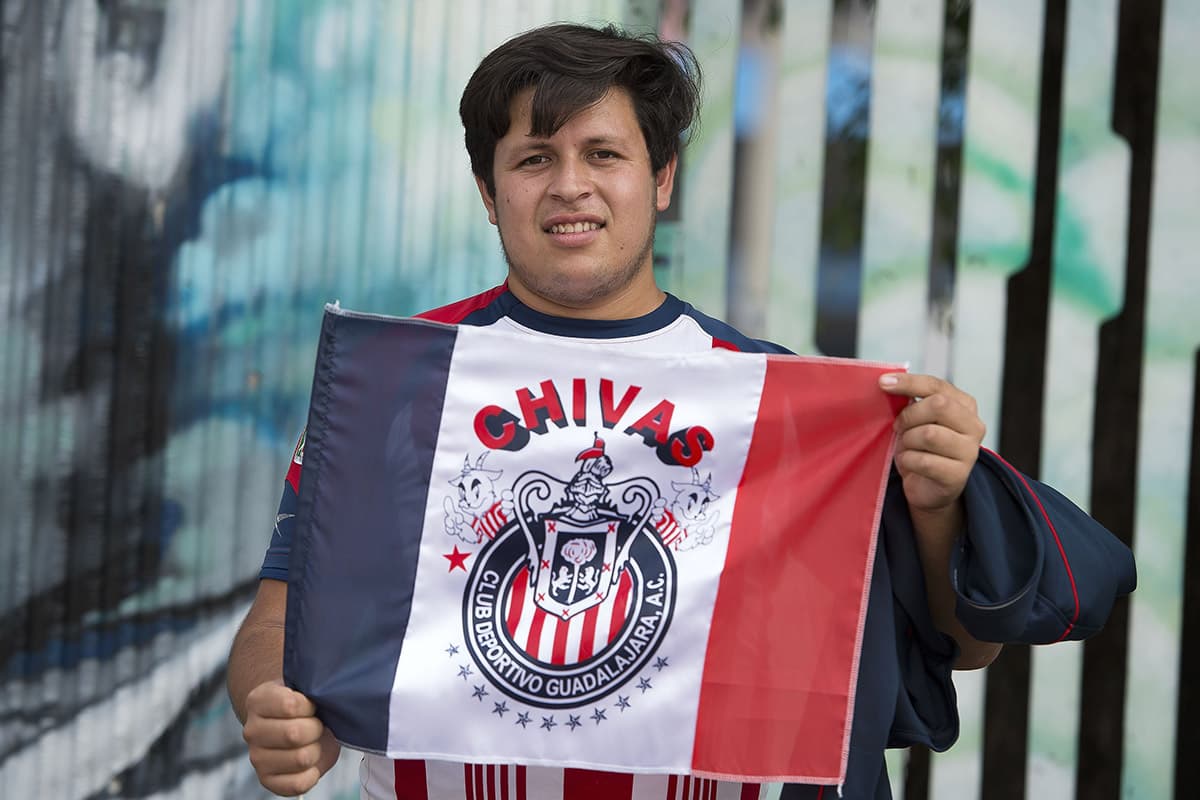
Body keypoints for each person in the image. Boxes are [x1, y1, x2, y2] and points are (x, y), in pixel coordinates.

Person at [227, 22, 1135, 800]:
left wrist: (938, 506)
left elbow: (964, 648)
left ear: (661, 180)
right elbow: (283, 611)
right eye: (533, 158)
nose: (569, 186)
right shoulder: (397, 384)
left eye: (604, 154)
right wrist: (270, 700)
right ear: (489, 190)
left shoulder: (779, 401)